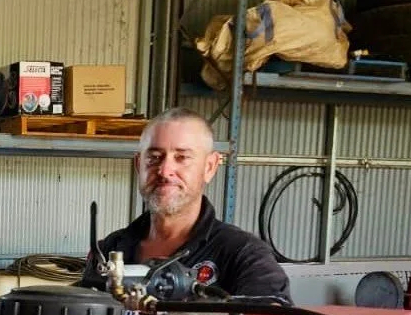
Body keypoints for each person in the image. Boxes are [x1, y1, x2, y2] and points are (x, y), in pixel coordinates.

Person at [93, 108, 291, 301]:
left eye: (182, 157)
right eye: (154, 157)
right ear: (138, 165)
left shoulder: (244, 254)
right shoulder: (108, 249)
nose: (164, 171)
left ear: (210, 167)